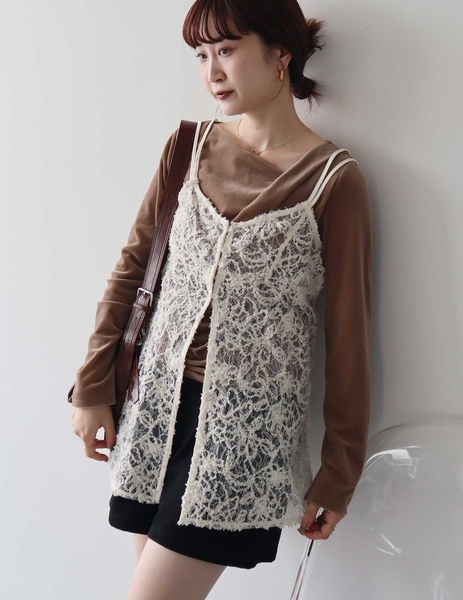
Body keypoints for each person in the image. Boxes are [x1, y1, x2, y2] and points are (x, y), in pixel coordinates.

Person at [69, 0, 372, 598]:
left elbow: (349, 337)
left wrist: (340, 473)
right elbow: (132, 271)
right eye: (201, 55)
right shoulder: (188, 146)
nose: (211, 72)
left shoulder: (334, 179)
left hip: (245, 432)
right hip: (152, 409)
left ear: (280, 52)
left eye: (227, 50)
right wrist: (92, 387)